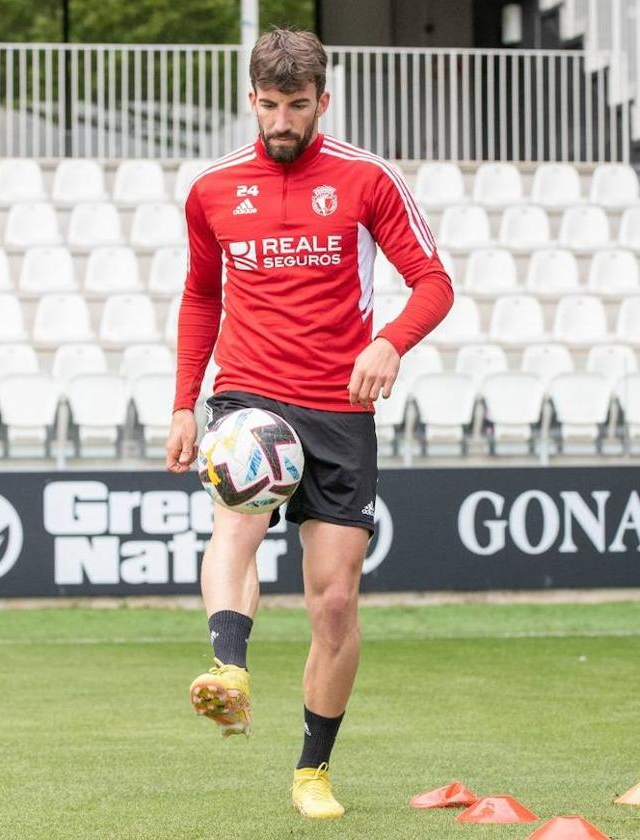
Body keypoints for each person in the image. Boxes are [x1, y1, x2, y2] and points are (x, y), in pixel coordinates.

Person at [164, 27, 454, 820]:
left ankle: (312, 772)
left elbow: (432, 281)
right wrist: (187, 401)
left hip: (339, 408)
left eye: (297, 105)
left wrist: (391, 341)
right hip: (250, 392)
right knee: (238, 526)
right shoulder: (214, 189)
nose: (282, 120)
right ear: (250, 101)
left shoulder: (366, 181)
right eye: (269, 105)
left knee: (333, 604)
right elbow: (200, 296)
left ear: (322, 101)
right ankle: (228, 671)